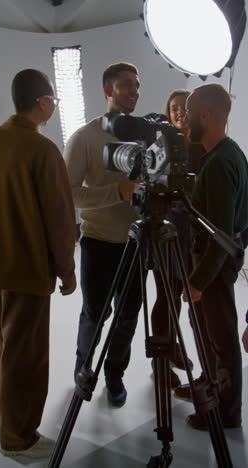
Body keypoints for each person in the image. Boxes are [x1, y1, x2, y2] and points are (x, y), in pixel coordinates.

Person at [0, 69, 77, 458]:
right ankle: (19, 438)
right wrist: (67, 270)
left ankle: (7, 416)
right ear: (42, 103)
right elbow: (59, 218)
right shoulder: (42, 150)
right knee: (27, 356)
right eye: (53, 101)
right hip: (27, 270)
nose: (53, 108)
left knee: (4, 343)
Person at [64, 62, 142, 407]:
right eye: (126, 85)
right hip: (97, 242)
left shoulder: (143, 136)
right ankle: (84, 370)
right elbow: (69, 193)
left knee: (127, 316)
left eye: (137, 86)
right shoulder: (84, 137)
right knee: (95, 315)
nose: (134, 92)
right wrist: (118, 192)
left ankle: (114, 374)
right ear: (108, 90)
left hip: (136, 242)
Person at [175, 83, 248, 430]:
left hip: (213, 265)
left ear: (206, 115)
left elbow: (219, 234)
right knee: (205, 328)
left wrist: (199, 281)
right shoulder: (223, 154)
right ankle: (210, 385)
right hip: (213, 261)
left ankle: (227, 411)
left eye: (189, 111)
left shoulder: (220, 162)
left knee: (220, 336)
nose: (184, 118)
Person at [151, 90, 204, 388]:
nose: (180, 113)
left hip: (192, 235)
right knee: (165, 297)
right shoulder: (163, 146)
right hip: (167, 233)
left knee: (181, 295)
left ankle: (173, 348)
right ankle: (160, 362)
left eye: (184, 108)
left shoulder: (201, 146)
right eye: (173, 109)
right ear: (168, 114)